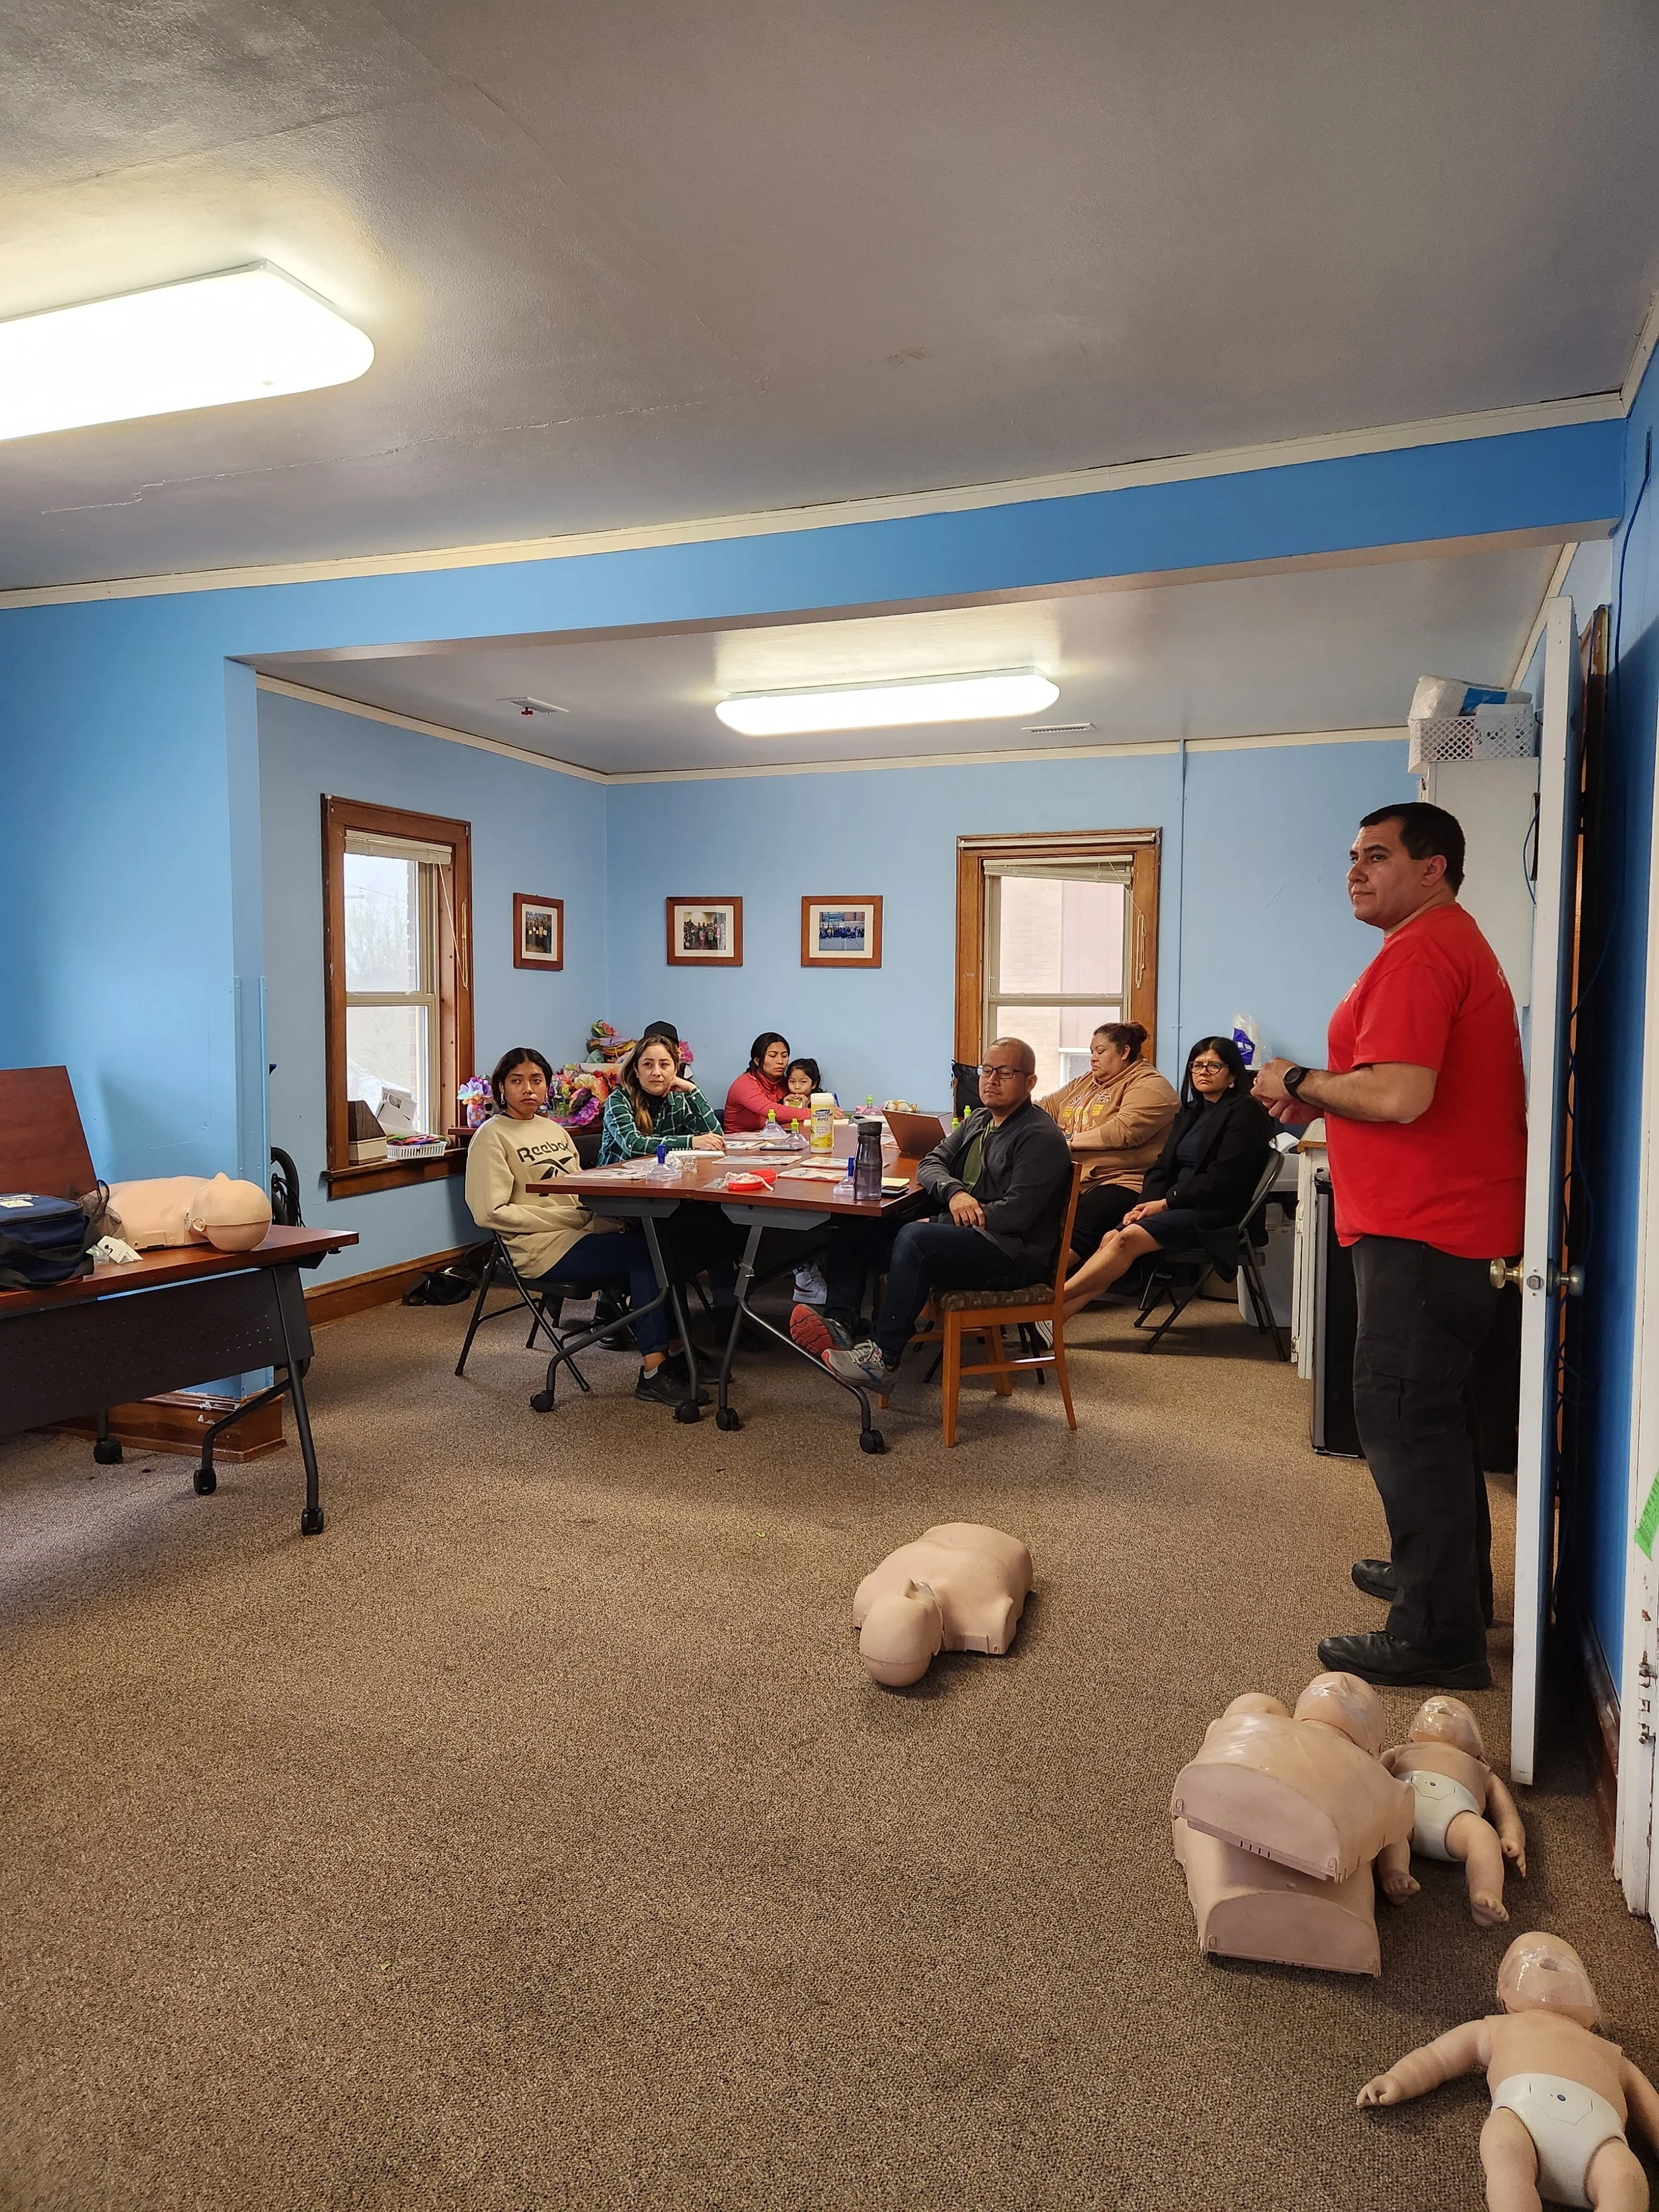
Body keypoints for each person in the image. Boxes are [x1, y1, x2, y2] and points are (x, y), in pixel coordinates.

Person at [1254, 802, 1525, 1692]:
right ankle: (1446, 1585)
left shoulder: (1421, 951)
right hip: (1438, 1225)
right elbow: (1389, 1085)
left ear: (1434, 866)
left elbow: (1403, 1095)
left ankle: (1437, 1630)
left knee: (1405, 1418)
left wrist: (1295, 1078)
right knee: (1436, 1417)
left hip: (1425, 1227)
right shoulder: (1441, 942)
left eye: (1378, 856)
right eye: (1352, 857)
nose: (1355, 872)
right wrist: (1326, 1095)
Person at [790, 1039, 1072, 1390]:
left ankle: (884, 1358)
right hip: (969, 1237)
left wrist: (939, 1222)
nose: (992, 1080)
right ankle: (840, 1326)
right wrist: (954, 1194)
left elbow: (1015, 1216)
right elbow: (932, 1163)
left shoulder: (1039, 1136)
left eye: (1006, 1072)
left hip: (1011, 1254)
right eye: (987, 1070)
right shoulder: (981, 1119)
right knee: (856, 1228)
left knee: (916, 1238)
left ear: (1030, 1082)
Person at [464, 1047, 697, 1406]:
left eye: (536, 1080)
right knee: (646, 1256)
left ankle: (679, 1353)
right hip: (540, 1248)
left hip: (580, 1231)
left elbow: (576, 1192)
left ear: (547, 1087)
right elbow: (490, 1213)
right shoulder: (491, 1136)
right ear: (500, 1087)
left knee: (663, 1241)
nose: (528, 1088)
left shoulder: (554, 1130)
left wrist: (597, 1209)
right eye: (517, 1081)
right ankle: (653, 1369)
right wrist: (569, 1218)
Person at [1058, 1035, 1274, 1320]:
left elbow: (1223, 1178)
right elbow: (1161, 1167)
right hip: (1174, 1204)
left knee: (1126, 1240)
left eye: (1214, 1066)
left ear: (1232, 1074)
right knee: (1112, 1236)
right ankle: (1055, 1321)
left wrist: (1165, 1204)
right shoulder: (1190, 1112)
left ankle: (1048, 1300)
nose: (1203, 1073)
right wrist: (1144, 1206)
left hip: (1217, 1212)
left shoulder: (1247, 1112)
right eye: (1197, 1066)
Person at [1037, 1022, 1179, 1262]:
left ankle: (1048, 1286)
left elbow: (1124, 1131)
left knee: (1084, 1218)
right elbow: (1045, 1108)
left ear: (1124, 1052)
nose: (1093, 1058)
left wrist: (1068, 1141)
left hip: (1122, 1180)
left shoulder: (1152, 1086)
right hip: (1074, 1177)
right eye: (1092, 1052)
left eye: (1100, 1052)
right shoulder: (1085, 1082)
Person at [599, 1035, 725, 1161]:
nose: (656, 1072)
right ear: (636, 1070)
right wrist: (691, 1142)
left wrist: (692, 1090)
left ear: (675, 1069)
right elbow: (634, 1145)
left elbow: (715, 1138)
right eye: (648, 1064)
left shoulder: (680, 1099)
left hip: (663, 1176)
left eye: (664, 1064)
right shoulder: (618, 1100)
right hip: (617, 1178)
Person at [723, 1033, 812, 1132]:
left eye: (784, 1056)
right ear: (757, 1060)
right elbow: (774, 1111)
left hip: (774, 1138)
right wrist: (816, 1114)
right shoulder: (744, 1085)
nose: (780, 1061)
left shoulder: (784, 1082)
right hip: (740, 1143)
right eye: (773, 1056)